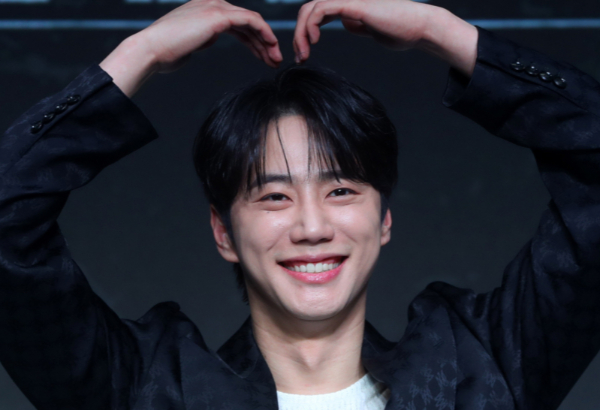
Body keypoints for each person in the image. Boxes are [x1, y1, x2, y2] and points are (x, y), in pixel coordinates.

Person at [0, 0, 599, 409]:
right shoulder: (146, 389)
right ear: (223, 232)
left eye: (341, 191)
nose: (312, 227)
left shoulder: (486, 365)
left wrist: (438, 29)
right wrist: (142, 52)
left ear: (384, 219)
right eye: (274, 196)